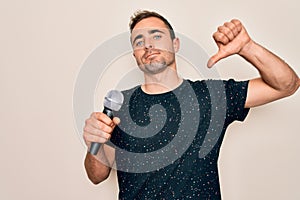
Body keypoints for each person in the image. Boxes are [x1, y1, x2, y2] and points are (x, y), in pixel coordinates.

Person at [83, 10, 299, 199]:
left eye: (156, 36)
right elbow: (97, 175)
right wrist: (95, 145)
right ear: (135, 54)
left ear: (175, 44)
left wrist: (248, 48)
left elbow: (286, 85)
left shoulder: (212, 95)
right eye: (139, 41)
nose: (148, 45)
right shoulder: (120, 105)